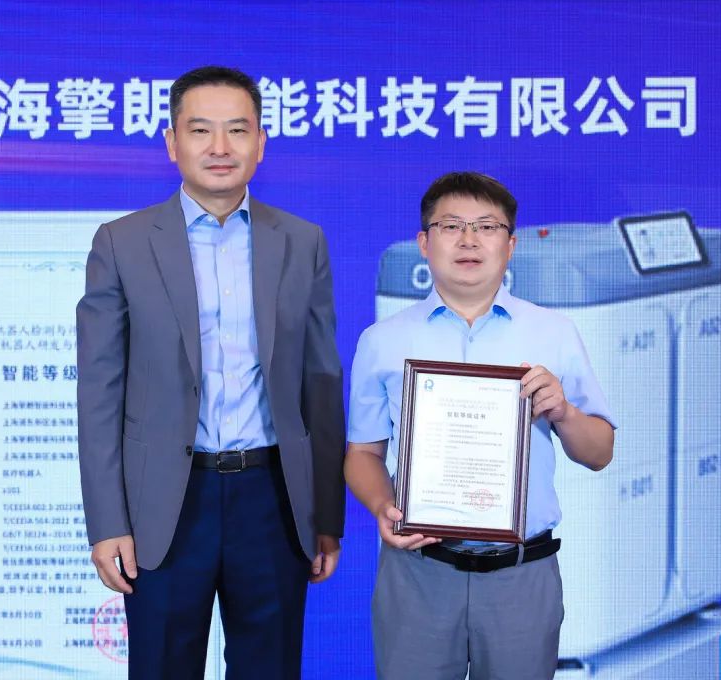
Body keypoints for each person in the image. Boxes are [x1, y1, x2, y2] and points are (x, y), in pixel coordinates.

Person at [77, 65, 345, 679]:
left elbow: (321, 383)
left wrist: (325, 517)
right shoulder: (121, 243)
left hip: (272, 500)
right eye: (200, 130)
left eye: (237, 130)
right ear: (172, 143)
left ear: (261, 143)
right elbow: (98, 393)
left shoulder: (302, 241)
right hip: (166, 504)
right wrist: (108, 522)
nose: (220, 147)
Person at [344, 171, 615, 679]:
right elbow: (362, 454)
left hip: (521, 576)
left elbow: (599, 452)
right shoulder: (382, 341)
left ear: (510, 246)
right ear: (424, 243)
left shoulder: (554, 333)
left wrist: (564, 412)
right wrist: (383, 506)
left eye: (487, 227)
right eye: (451, 226)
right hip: (419, 574)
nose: (469, 240)